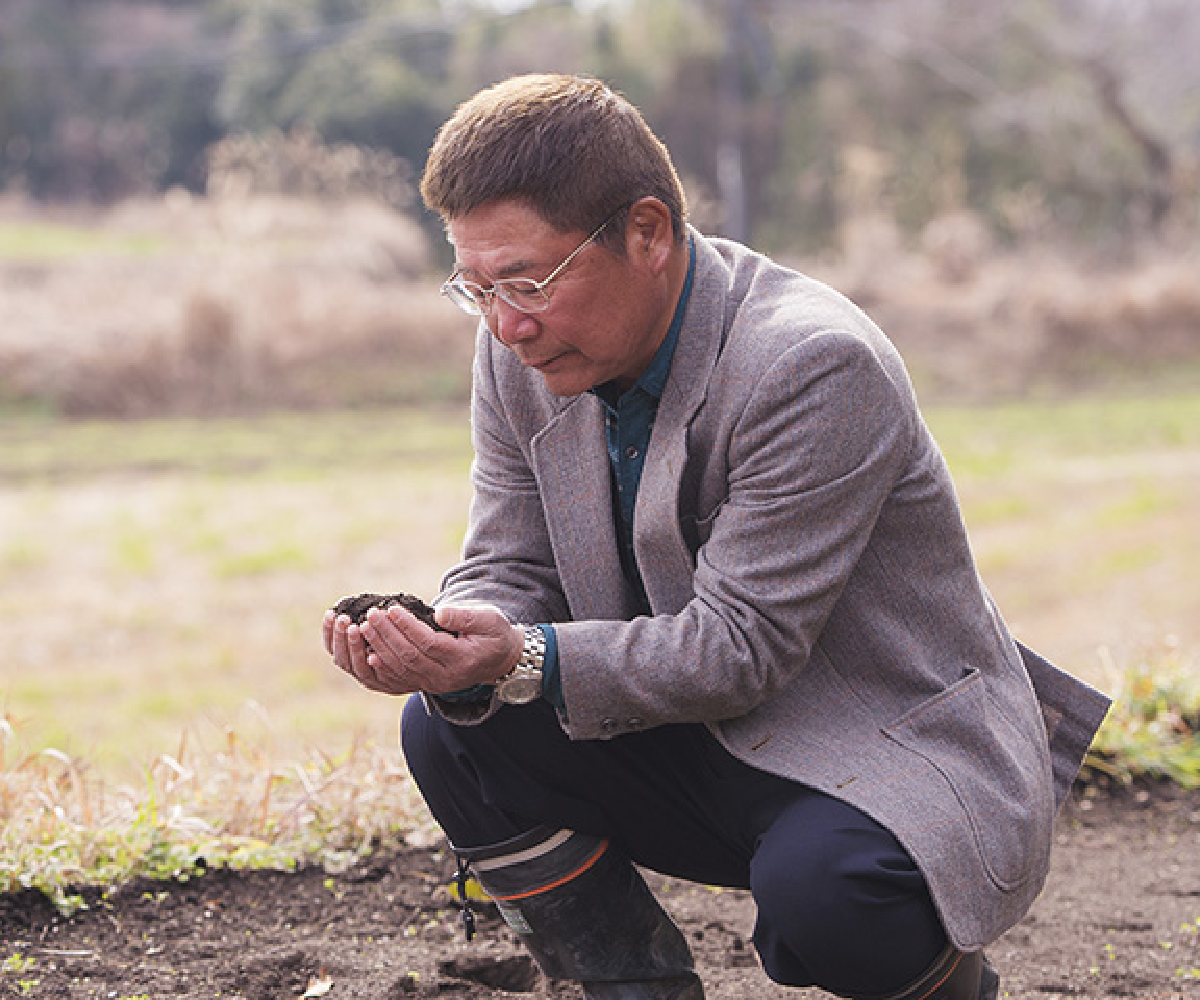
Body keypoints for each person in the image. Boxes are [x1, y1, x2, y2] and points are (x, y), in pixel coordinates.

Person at [322, 73, 1109, 1000]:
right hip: (690, 729)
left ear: (647, 234)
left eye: (529, 282)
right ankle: (632, 988)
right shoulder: (518, 348)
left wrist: (521, 656)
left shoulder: (811, 363)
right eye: (478, 288)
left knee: (830, 901)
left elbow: (741, 648)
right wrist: (454, 643)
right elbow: (511, 559)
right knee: (452, 729)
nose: (508, 324)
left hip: (880, 741)